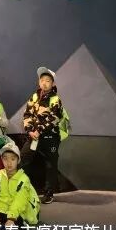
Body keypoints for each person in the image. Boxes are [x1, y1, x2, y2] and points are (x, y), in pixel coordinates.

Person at [20, 67, 69, 204]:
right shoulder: (34, 97)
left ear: (53, 84)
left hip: (50, 138)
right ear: (39, 82)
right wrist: (29, 130)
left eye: (48, 81)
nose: (44, 83)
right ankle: (22, 190)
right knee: (24, 159)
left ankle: (49, 193)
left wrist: (39, 131)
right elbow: (27, 114)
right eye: (42, 80)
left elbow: (54, 118)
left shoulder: (55, 99)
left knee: (50, 165)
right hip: (33, 137)